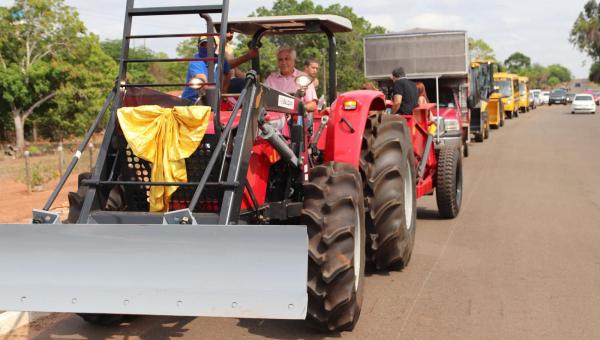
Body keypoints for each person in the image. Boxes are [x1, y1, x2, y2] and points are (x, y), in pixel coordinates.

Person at [265, 47, 317, 112]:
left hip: (297, 118)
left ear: (293, 61)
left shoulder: (303, 78)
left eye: (287, 59)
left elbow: (313, 104)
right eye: (280, 60)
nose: (283, 62)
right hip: (275, 118)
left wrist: (302, 108)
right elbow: (263, 100)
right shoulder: (271, 79)